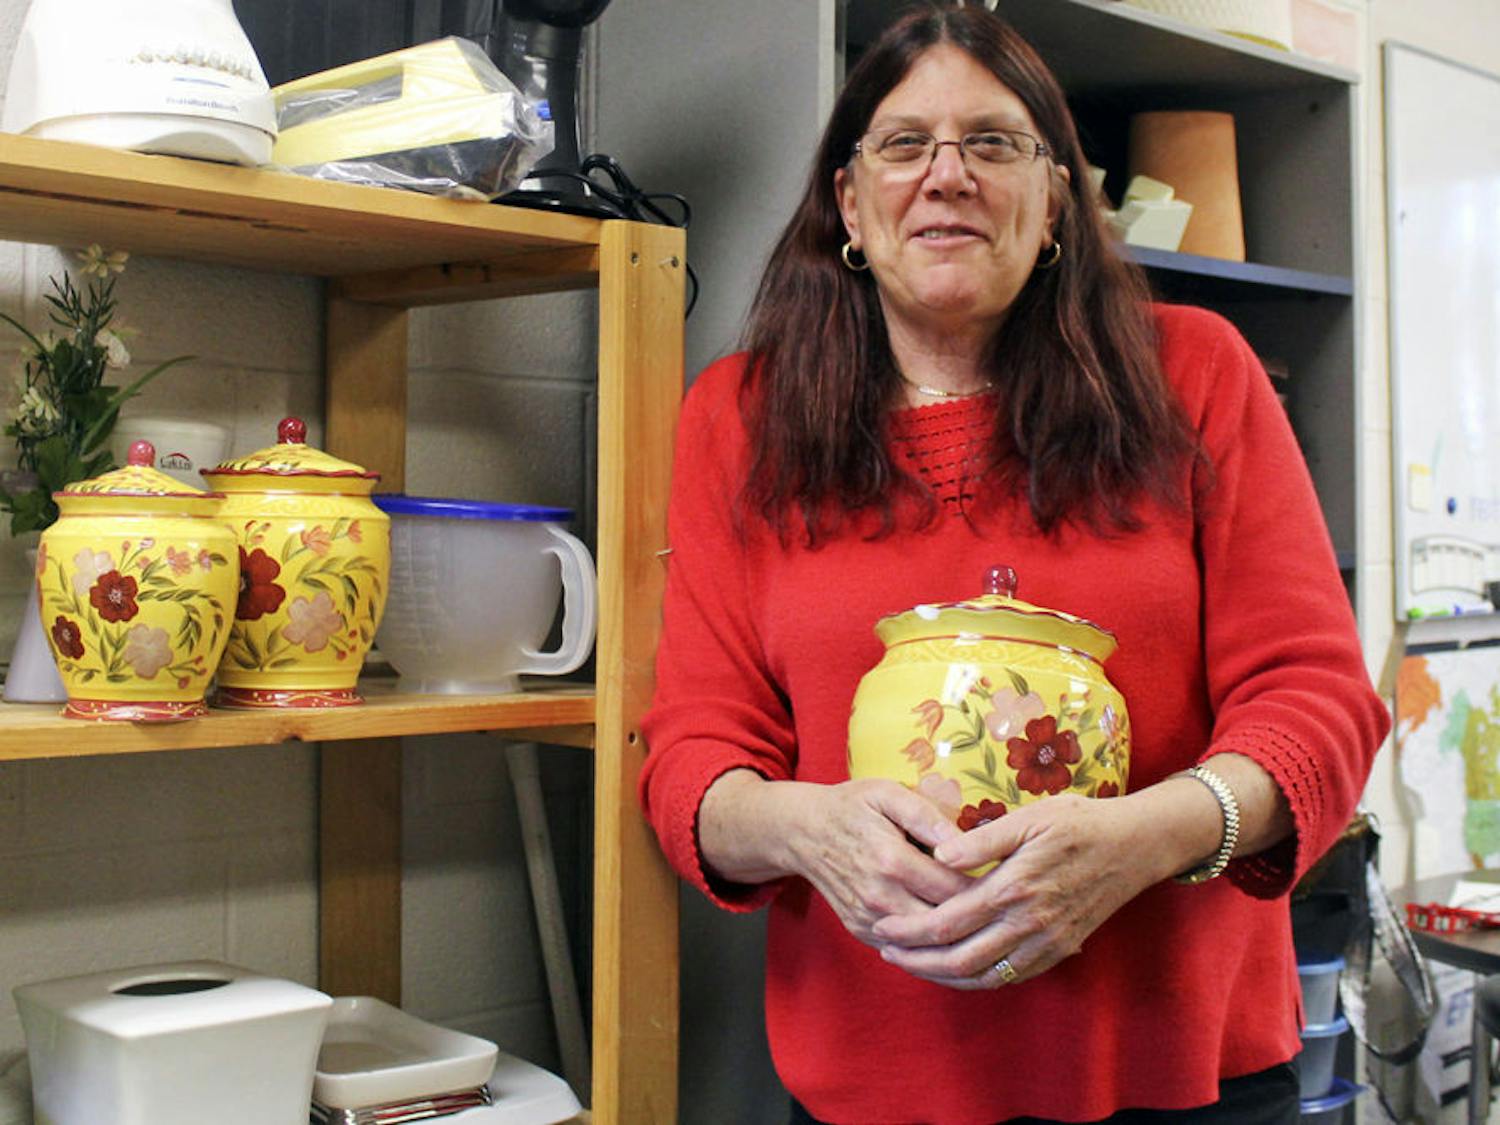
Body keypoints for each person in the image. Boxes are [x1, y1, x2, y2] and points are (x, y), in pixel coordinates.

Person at [637, 5, 1390, 1124]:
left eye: (993, 144)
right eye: (903, 145)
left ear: (1053, 205)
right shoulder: (740, 419)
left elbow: (1318, 700)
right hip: (874, 1086)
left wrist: (1153, 837)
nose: (946, 176)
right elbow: (695, 747)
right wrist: (811, 829)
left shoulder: (1197, 374)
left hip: (1187, 1078)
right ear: (850, 202)